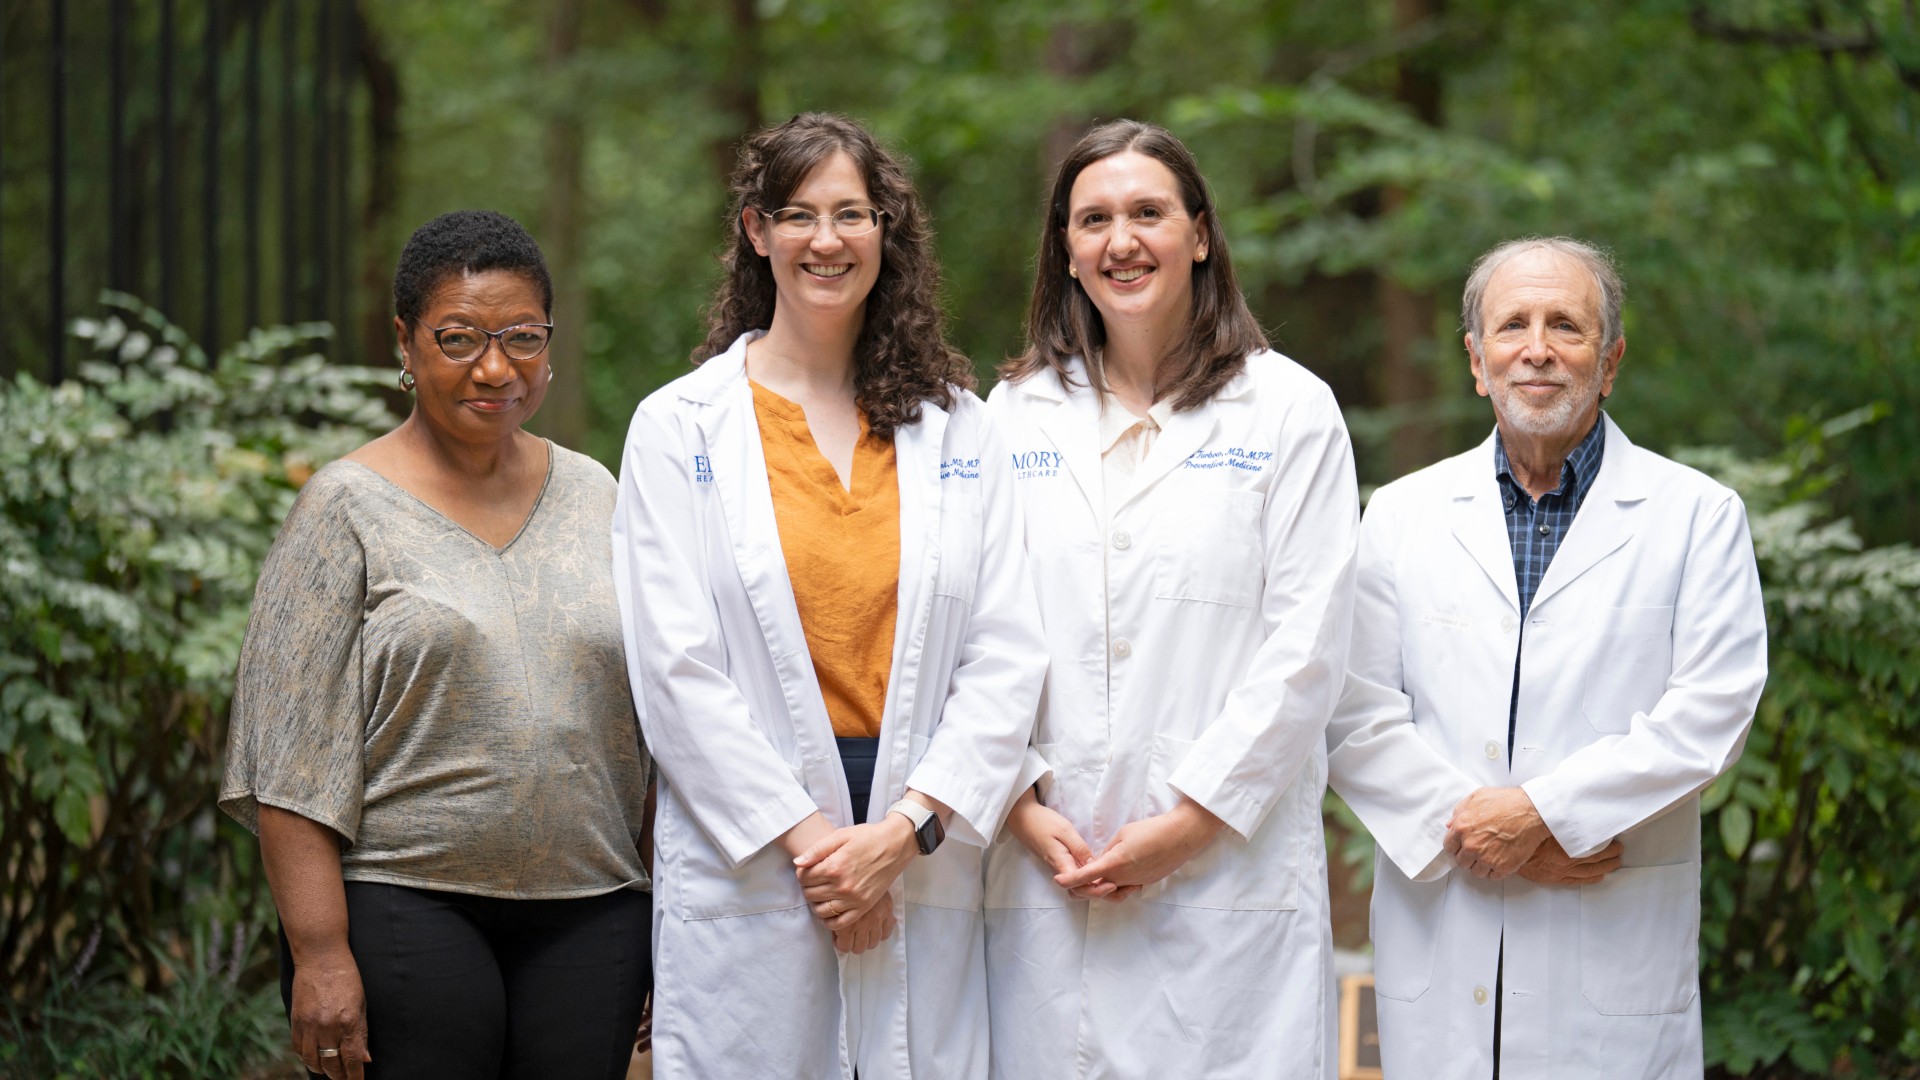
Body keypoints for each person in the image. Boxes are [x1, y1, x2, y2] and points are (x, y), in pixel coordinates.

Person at [612, 113, 1046, 1079]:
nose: (827, 239)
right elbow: (675, 671)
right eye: (799, 214)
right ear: (756, 231)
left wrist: (902, 833)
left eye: (852, 214)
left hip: (918, 823)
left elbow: (1007, 650)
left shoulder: (959, 428)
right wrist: (824, 852)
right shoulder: (678, 428)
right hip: (759, 835)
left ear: (886, 232)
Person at [219, 210, 653, 1080]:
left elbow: (655, 712)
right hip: (403, 899)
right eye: (458, 338)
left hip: (594, 904)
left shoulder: (599, 494)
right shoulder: (343, 507)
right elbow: (286, 755)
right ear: (405, 344)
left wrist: (665, 908)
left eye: (522, 337)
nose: (494, 368)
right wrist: (319, 954)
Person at [1325, 237, 1768, 1079]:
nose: (1537, 348)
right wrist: (1496, 836)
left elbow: (1711, 712)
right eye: (1512, 326)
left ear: (1610, 362)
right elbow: (1354, 714)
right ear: (1476, 361)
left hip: (1610, 954)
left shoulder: (1697, 517)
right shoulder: (1402, 515)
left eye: (1566, 325)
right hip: (1444, 942)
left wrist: (1547, 813)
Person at [983, 119, 1359, 1079]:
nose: (1122, 241)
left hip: (1226, 881)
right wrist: (1018, 798)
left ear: (1199, 234)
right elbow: (973, 628)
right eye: (1094, 219)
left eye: (1148, 212)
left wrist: (1191, 823)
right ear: (1066, 250)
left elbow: (1307, 650)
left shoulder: (1290, 410)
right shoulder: (1012, 416)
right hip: (1047, 870)